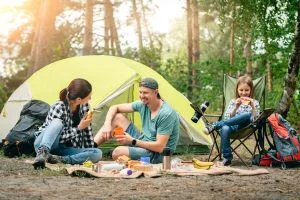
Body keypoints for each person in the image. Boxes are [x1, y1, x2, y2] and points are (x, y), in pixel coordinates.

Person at [94, 77, 180, 164]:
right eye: (140, 92)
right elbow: (114, 107)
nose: (142, 96)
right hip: (143, 141)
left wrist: (132, 141)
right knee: (117, 118)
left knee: (117, 152)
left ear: (156, 92)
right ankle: (91, 148)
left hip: (159, 154)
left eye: (145, 93)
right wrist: (107, 124)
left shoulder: (166, 113)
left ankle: (136, 161)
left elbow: (160, 147)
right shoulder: (143, 104)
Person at [33, 78, 102, 169]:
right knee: (57, 122)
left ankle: (60, 159)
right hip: (47, 143)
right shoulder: (59, 107)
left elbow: (87, 132)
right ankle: (42, 153)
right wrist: (79, 128)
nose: (90, 98)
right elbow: (57, 137)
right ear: (78, 99)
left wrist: (89, 150)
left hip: (63, 149)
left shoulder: (85, 107)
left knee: (97, 153)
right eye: (89, 96)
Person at [206, 75, 260, 166]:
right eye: (241, 90)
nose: (244, 93)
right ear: (237, 90)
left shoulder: (254, 102)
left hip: (246, 126)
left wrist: (252, 106)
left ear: (251, 90)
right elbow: (227, 118)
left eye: (247, 90)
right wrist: (236, 107)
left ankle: (215, 125)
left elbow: (256, 120)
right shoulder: (233, 102)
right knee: (225, 128)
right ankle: (227, 158)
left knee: (246, 114)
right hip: (233, 126)